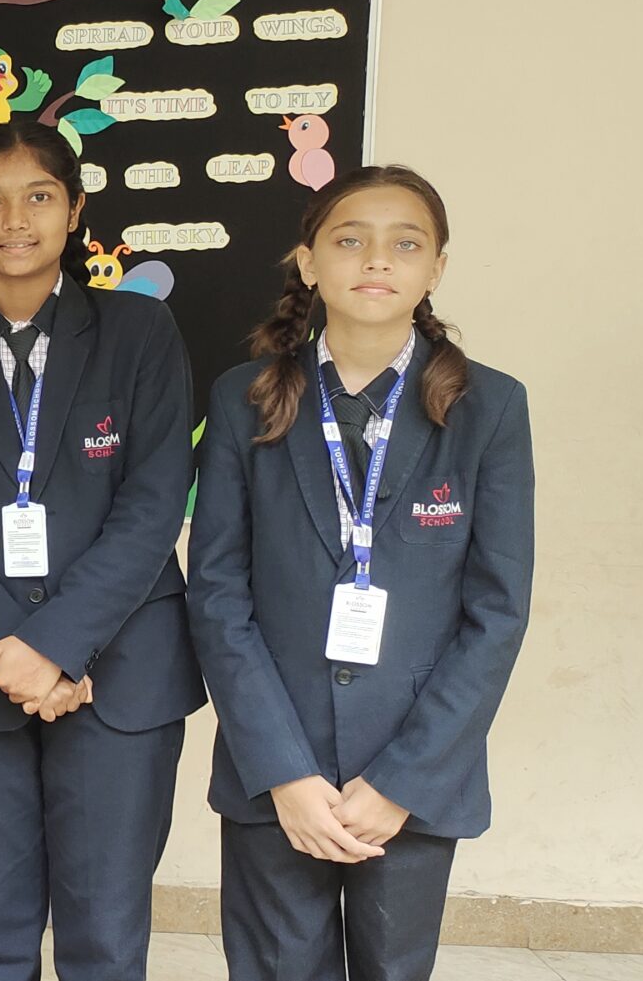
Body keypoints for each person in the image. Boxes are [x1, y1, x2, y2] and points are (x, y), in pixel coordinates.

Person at [187, 165, 533, 981]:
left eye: (405, 244)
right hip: (278, 769)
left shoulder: (489, 407)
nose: (376, 259)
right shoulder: (243, 397)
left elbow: (497, 613)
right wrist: (285, 771)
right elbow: (218, 594)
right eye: (350, 240)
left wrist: (401, 779)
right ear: (309, 263)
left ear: (435, 268)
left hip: (413, 775)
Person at [0, 120, 204, 981]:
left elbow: (152, 505)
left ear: (75, 210)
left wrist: (55, 646)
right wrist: (10, 648)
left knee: (104, 930)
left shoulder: (140, 333)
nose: (15, 219)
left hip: (121, 670)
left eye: (39, 197)